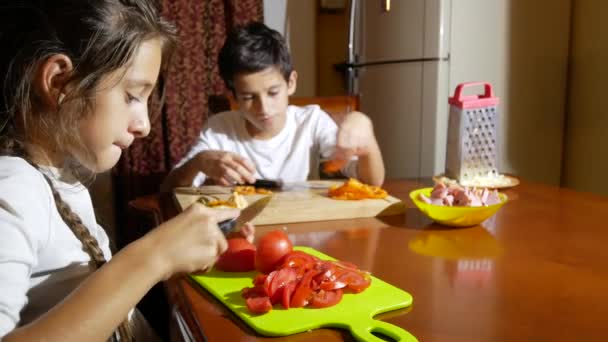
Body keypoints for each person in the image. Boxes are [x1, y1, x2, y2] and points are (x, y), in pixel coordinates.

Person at [0, 1, 252, 341]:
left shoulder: (60, 175)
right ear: (60, 81)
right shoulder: (13, 187)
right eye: (132, 96)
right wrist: (152, 257)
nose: (145, 125)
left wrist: (184, 249)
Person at [161, 22, 385, 190]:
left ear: (291, 83)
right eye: (249, 97)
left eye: (273, 93)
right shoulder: (220, 129)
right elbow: (168, 190)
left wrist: (367, 141)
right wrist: (199, 163)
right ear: (234, 96)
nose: (264, 108)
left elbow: (371, 183)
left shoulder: (311, 121)